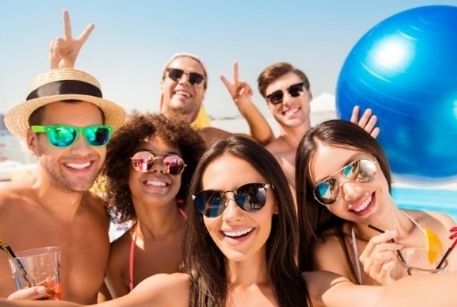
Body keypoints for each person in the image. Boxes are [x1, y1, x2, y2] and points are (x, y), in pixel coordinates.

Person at [5, 136, 457, 307]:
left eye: (250, 195)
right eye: (214, 202)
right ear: (199, 212)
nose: (233, 214)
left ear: (277, 202)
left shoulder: (315, 289)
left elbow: (392, 302)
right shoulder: (175, 291)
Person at [50, 11, 274, 147]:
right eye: (176, 74)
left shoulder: (207, 139)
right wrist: (65, 66)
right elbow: (72, 127)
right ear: (162, 82)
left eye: (195, 78)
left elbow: (264, 143)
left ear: (204, 90)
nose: (184, 81)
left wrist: (245, 106)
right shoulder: (134, 130)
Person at [0, 68, 126, 303]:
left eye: (95, 134)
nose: (82, 150)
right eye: (61, 133)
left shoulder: (100, 214)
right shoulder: (3, 210)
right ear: (31, 141)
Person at [295, 119, 457, 285]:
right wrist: (386, 290)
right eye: (326, 188)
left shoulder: (442, 223)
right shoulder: (332, 253)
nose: (351, 193)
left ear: (375, 156)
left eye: (356, 167)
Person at [225, 62, 379, 193]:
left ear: (309, 93)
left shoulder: (339, 143)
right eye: (276, 97)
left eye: (295, 90)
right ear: (268, 105)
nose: (287, 100)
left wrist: (360, 152)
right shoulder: (268, 160)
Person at [100, 113, 205, 298]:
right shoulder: (116, 260)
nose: (159, 168)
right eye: (144, 160)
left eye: (173, 163)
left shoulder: (206, 230)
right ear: (124, 170)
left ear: (185, 174)